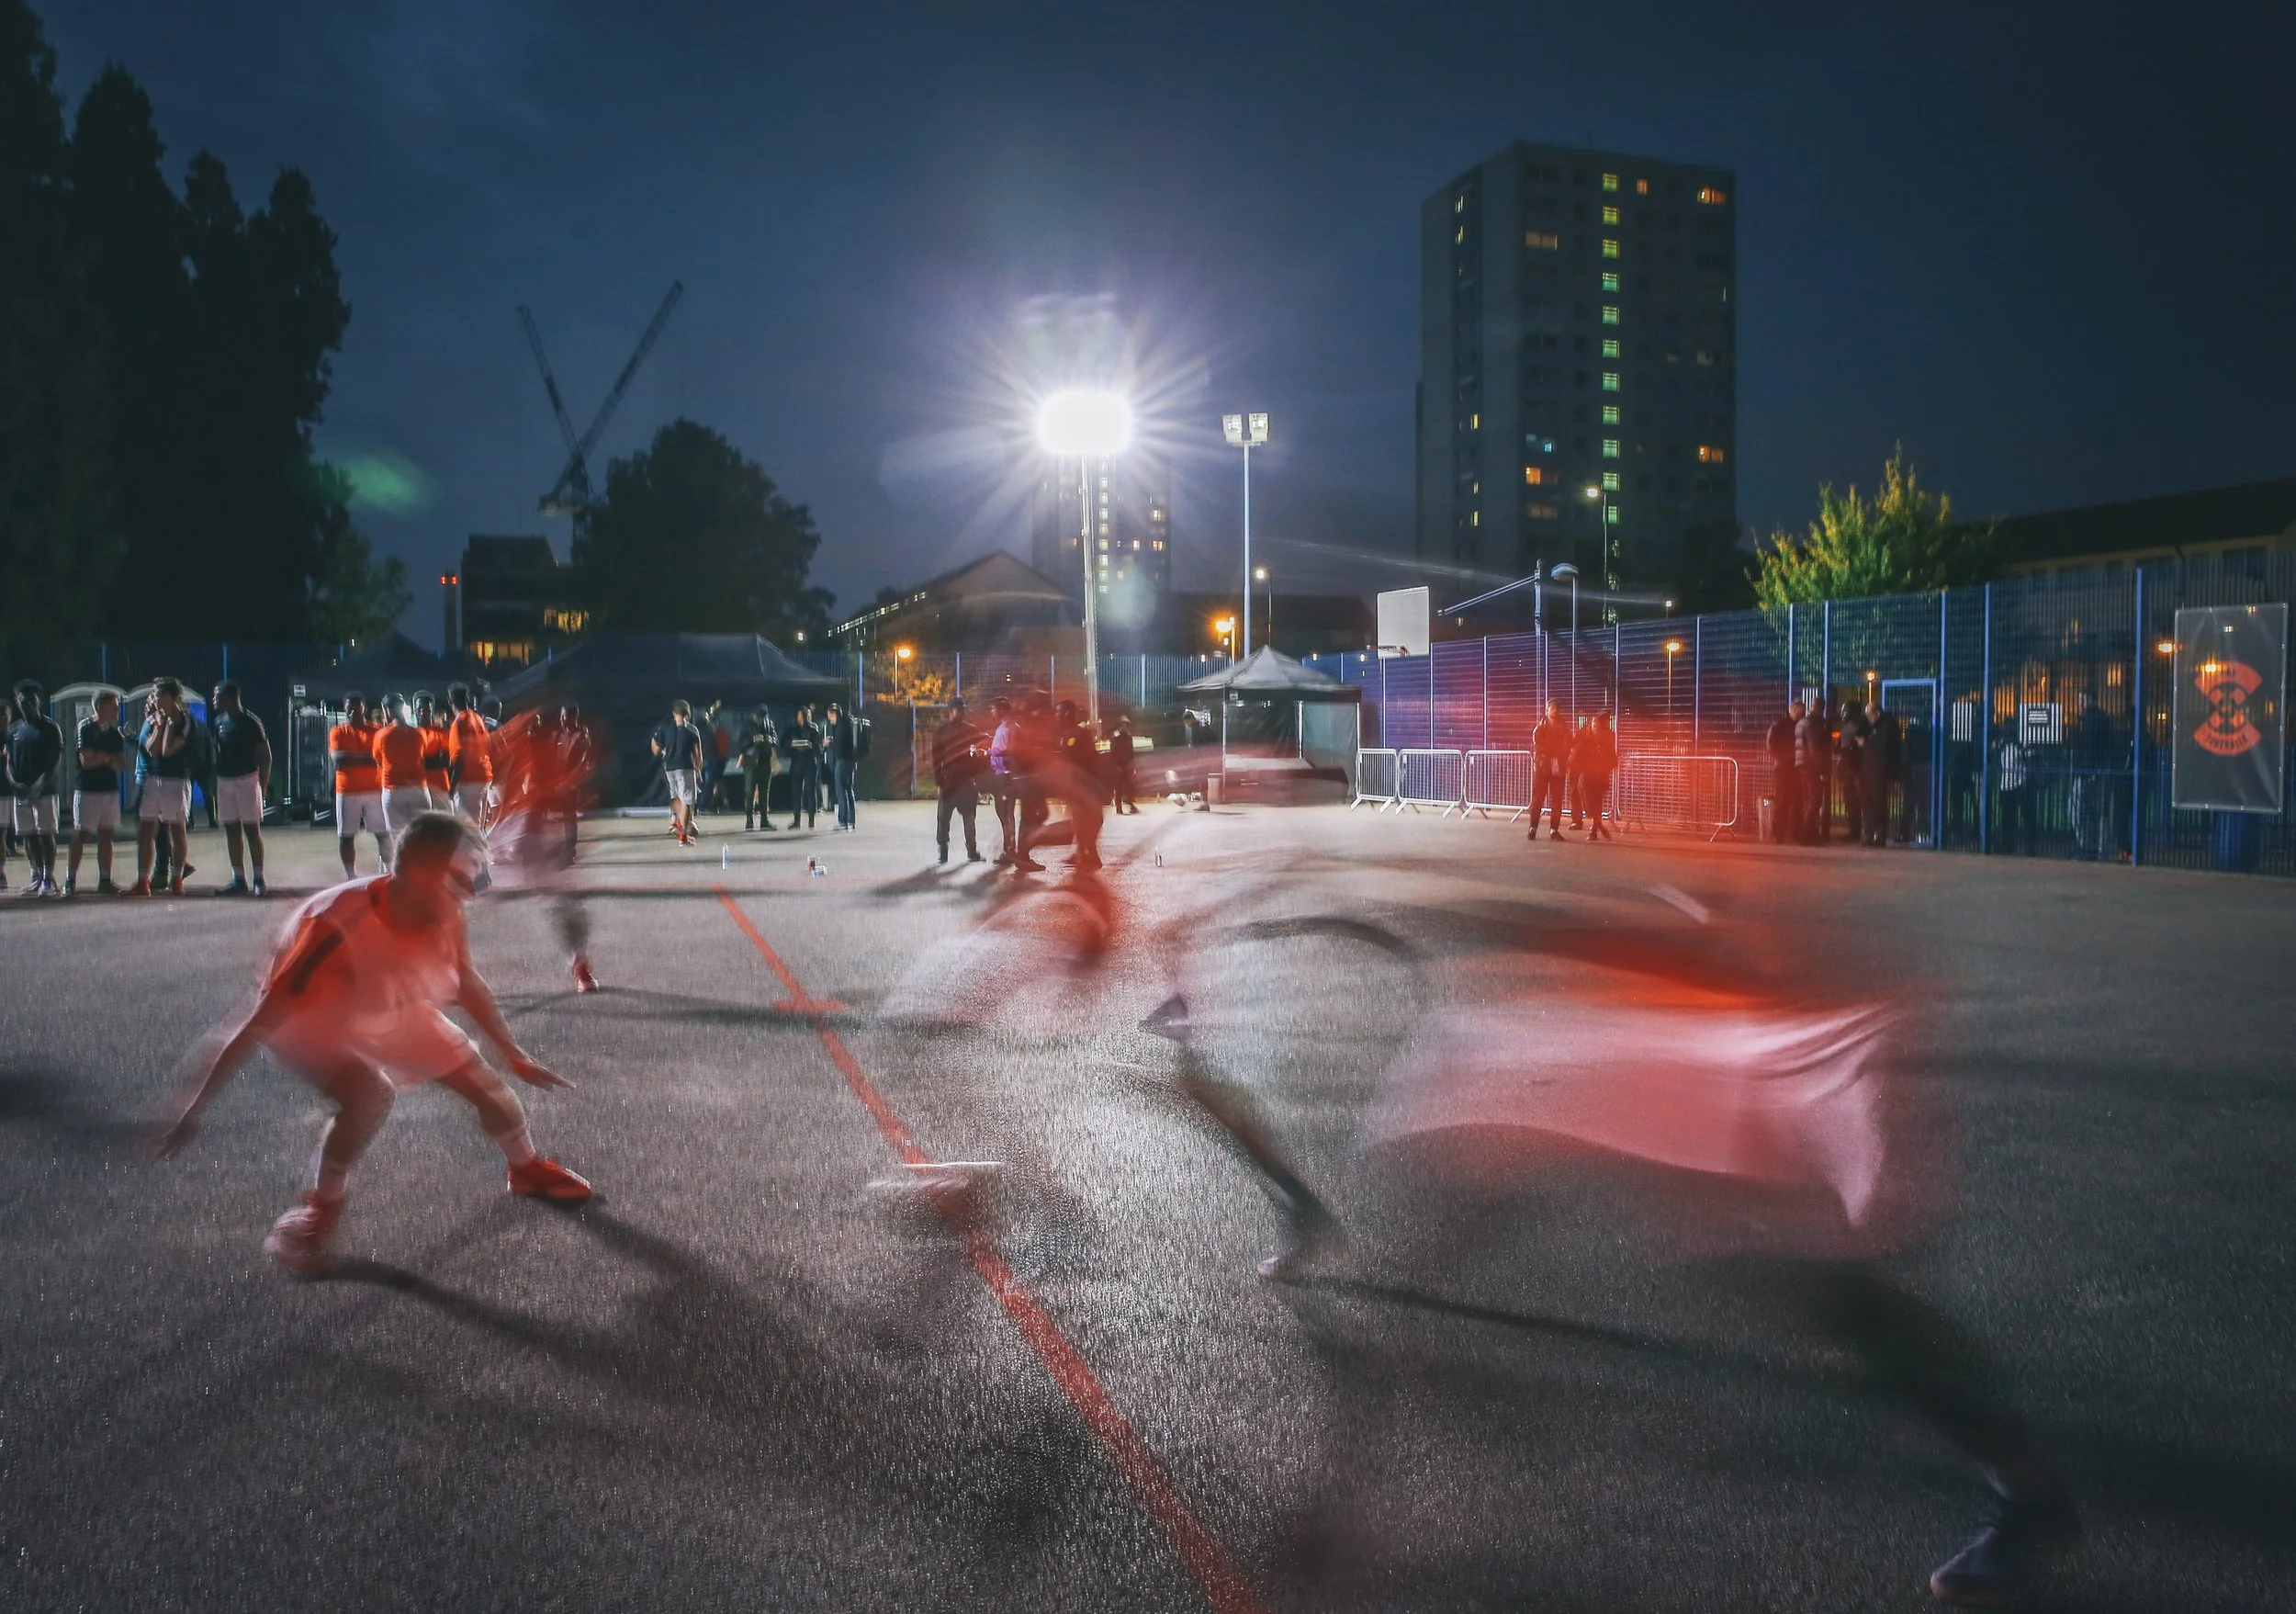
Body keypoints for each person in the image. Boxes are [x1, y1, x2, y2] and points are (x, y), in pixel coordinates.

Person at [150, 810, 592, 1272]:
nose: (462, 903)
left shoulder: (441, 903)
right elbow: (258, 1022)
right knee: (368, 1096)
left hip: (384, 1000)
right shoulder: (335, 927)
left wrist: (513, 1054)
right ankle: (319, 1206)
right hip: (311, 1017)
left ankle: (524, 1168)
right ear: (418, 878)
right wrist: (192, 1109)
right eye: (456, 886)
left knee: (488, 1089)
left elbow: (464, 978)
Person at [208, 681, 272, 896]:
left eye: (217, 696)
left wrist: (262, 786)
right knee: (231, 830)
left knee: (252, 831)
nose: (214, 701)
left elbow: (266, 757)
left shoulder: (251, 722)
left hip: (247, 780)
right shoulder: (218, 722)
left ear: (230, 697)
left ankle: (259, 879)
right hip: (225, 782)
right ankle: (238, 879)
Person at [134, 679, 196, 896]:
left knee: (177, 830)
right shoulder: (153, 719)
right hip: (152, 780)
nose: (155, 700)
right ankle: (143, 882)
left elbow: (168, 751)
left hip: (175, 781)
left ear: (172, 696)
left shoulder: (185, 720)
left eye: (159, 695)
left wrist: (168, 727)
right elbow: (151, 749)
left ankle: (177, 878)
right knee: (145, 831)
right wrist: (160, 725)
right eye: (154, 695)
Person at [66, 689, 126, 895]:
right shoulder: (85, 728)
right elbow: (87, 761)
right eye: (114, 706)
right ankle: (70, 880)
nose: (118, 710)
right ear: (101, 706)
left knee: (106, 834)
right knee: (81, 833)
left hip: (109, 790)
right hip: (88, 789)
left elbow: (121, 764)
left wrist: (103, 757)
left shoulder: (114, 733)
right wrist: (107, 758)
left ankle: (105, 880)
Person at [8, 683, 65, 897]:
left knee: (45, 834)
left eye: (32, 701)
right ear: (17, 702)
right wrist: (14, 783)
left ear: (39, 701)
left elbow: (55, 763)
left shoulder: (50, 728)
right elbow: (9, 762)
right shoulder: (14, 730)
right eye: (23, 701)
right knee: (28, 835)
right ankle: (35, 877)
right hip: (21, 793)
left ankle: (48, 878)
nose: (27, 704)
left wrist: (39, 785)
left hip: (44, 792)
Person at [330, 694, 388, 878]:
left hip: (374, 789)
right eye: (349, 708)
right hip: (346, 791)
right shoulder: (337, 731)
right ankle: (351, 876)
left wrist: (352, 758)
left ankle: (388, 872)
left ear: (364, 708)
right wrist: (368, 758)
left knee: (382, 834)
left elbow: (380, 759)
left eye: (356, 707)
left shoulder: (377, 731)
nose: (353, 711)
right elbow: (338, 759)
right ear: (344, 709)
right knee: (346, 835)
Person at [931, 699, 986, 863]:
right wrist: (939, 782)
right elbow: (936, 759)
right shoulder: (942, 732)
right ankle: (944, 850)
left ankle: (971, 850)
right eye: (958, 710)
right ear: (951, 711)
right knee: (944, 818)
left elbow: (978, 754)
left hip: (965, 781)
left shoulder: (969, 730)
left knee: (968, 818)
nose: (961, 713)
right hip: (950, 781)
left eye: (962, 710)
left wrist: (977, 777)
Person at [372, 694, 432, 846]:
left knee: (398, 837)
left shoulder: (382, 735)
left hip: (394, 789)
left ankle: (403, 868)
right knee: (422, 833)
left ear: (387, 710)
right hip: (419, 789)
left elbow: (379, 761)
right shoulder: (419, 733)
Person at [651, 698, 703, 845]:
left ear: (674, 714)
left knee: (676, 797)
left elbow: (655, 748)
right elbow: (698, 755)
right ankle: (684, 836)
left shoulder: (665, 730)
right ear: (688, 714)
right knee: (687, 801)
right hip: (685, 767)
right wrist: (698, 770)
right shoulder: (692, 731)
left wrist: (663, 751)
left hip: (669, 768)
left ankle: (677, 822)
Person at [445, 683, 497, 825]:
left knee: (466, 829)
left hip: (469, 782)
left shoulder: (459, 722)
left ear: (450, 702)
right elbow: (489, 746)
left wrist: (452, 785)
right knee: (478, 827)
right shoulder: (477, 718)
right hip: (484, 777)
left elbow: (460, 758)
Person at [1526, 698, 1570, 841]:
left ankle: (1554, 830)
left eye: (1557, 708)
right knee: (1538, 798)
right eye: (1552, 708)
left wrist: (1559, 755)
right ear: (1547, 710)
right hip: (1543, 767)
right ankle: (1533, 828)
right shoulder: (1540, 727)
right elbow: (1537, 745)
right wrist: (1554, 753)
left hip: (1558, 766)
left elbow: (1569, 742)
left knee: (1557, 800)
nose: (1555, 710)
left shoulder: (1564, 727)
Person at [985, 697, 1020, 863]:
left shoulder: (1012, 728)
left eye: (994, 708)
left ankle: (1011, 850)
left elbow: (1011, 750)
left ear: (1002, 710)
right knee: (1002, 812)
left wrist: (991, 753)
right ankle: (1008, 848)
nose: (992, 711)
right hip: (999, 775)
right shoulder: (1001, 728)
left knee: (1007, 813)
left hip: (1007, 776)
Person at [1862, 702, 1901, 848]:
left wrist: (1866, 743)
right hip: (1874, 772)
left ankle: (1878, 836)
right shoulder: (1880, 726)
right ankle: (1872, 836)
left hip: (1879, 773)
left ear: (1877, 713)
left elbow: (1881, 749)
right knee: (1872, 805)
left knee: (1878, 805)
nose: (1868, 718)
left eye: (1869, 715)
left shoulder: (1885, 727)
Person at [1576, 709, 1618, 841]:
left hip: (1599, 775)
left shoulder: (1605, 739)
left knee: (1597, 804)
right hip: (1587, 775)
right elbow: (1578, 753)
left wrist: (1606, 767)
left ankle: (1594, 830)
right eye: (1594, 725)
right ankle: (1600, 827)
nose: (1596, 727)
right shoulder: (1585, 737)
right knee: (1589, 804)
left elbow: (1611, 756)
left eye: (1597, 725)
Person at [1766, 700, 1803, 845]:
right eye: (1798, 711)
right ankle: (1779, 834)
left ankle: (1794, 833)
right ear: (1792, 710)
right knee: (1783, 801)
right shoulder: (1780, 726)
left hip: (1794, 768)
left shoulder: (1795, 726)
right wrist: (1785, 758)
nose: (1799, 714)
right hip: (1783, 769)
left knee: (1797, 801)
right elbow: (1771, 746)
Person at [1796, 698, 1832, 844]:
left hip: (1802, 765)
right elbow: (1815, 748)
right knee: (1814, 802)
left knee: (1808, 801)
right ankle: (1807, 836)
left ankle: (1810, 834)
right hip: (1812, 768)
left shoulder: (1802, 722)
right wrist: (1822, 770)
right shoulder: (1815, 724)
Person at [825, 700, 862, 831]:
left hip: (842, 761)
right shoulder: (850, 723)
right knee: (848, 790)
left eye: (830, 716)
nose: (829, 720)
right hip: (851, 761)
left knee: (841, 791)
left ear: (833, 714)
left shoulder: (840, 726)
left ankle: (843, 821)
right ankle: (851, 820)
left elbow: (840, 747)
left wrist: (830, 743)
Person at [782, 705, 822, 830]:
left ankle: (811, 820)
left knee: (810, 792)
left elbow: (819, 748)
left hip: (810, 763)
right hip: (796, 763)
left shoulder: (813, 729)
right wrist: (792, 745)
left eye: (805, 716)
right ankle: (797, 820)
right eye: (801, 716)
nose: (803, 719)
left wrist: (811, 746)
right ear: (797, 717)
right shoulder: (792, 729)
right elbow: (783, 743)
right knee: (796, 793)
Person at [1836, 700, 1870, 844]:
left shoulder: (1862, 726)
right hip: (1849, 769)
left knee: (1863, 801)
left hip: (1859, 769)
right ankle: (1855, 830)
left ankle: (1866, 831)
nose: (1844, 714)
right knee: (1850, 802)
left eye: (1846, 711)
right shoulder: (1847, 728)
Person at [1996, 734, 2035, 856]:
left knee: (2027, 816)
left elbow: (2032, 760)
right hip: (2006, 786)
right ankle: (2008, 844)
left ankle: (2029, 846)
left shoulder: (2021, 744)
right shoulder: (2002, 744)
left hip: (2019, 786)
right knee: (2007, 819)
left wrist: (2023, 750)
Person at [740, 708, 779, 831]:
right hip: (751, 762)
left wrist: (770, 740)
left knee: (764, 792)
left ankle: (764, 820)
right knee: (750, 791)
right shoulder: (746, 725)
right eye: (759, 717)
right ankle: (749, 820)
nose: (761, 720)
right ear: (754, 716)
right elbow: (739, 743)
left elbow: (776, 740)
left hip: (764, 760)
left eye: (763, 718)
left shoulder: (769, 724)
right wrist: (753, 740)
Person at [1107, 712, 1139, 815]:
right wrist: (1115, 765)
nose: (1124, 726)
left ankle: (1130, 803)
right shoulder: (1116, 736)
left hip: (1127, 764)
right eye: (1123, 724)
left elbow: (1131, 751)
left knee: (1129, 785)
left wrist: (1132, 763)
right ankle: (1119, 806)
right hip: (1119, 765)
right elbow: (1113, 751)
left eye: (1126, 724)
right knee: (1119, 787)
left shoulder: (1128, 736)